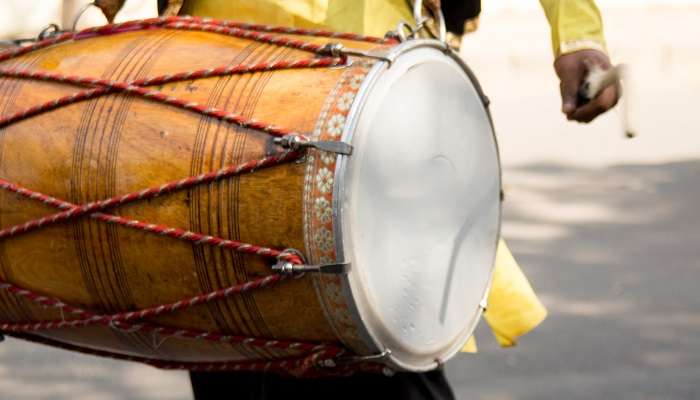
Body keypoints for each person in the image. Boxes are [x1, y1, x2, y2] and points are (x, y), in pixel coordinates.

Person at [100, 1, 619, 398]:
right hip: (214, 83)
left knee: (377, 349)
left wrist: (577, 31)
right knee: (235, 359)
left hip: (370, 84)